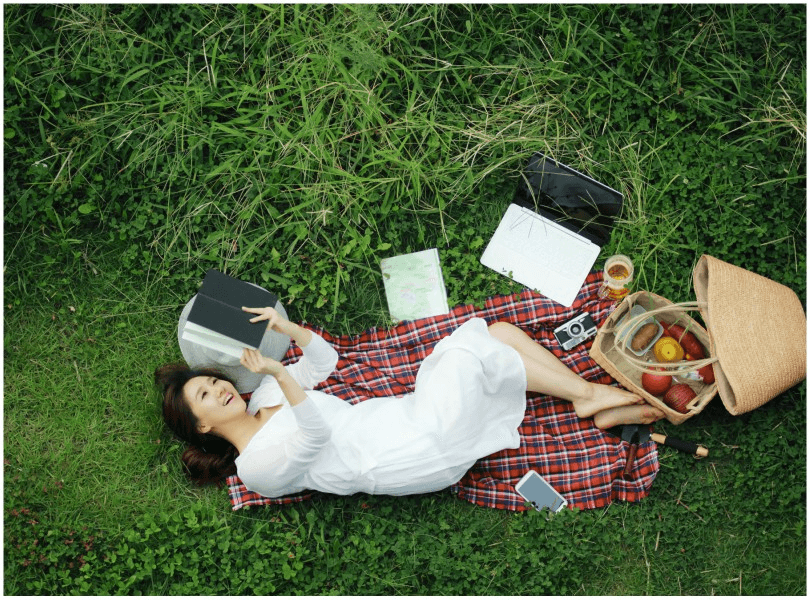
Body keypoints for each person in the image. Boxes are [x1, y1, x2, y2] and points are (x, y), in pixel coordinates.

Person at [156, 306, 664, 498]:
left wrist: (288, 331)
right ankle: (590, 394)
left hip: (410, 413)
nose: (221, 388)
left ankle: (586, 401)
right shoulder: (255, 471)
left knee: (501, 333)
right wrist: (277, 375)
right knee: (470, 350)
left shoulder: (265, 391)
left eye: (212, 381)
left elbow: (325, 364)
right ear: (201, 426)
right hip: (407, 455)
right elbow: (316, 434)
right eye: (206, 395)